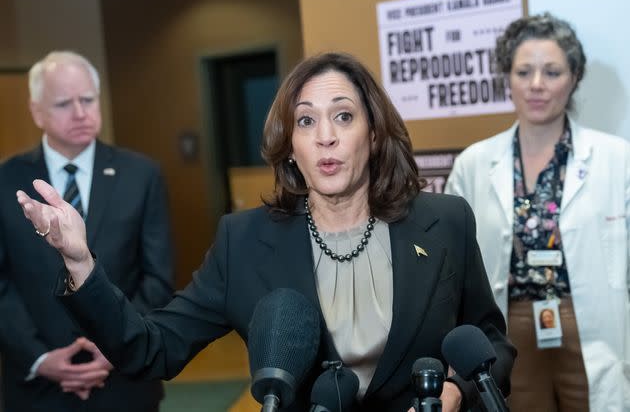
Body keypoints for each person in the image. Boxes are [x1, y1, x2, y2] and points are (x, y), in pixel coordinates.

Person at [16, 52, 515, 412]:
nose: (326, 136)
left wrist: (453, 394)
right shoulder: (243, 241)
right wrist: (81, 263)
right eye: (305, 121)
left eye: (344, 116)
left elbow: (490, 339)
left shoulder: (445, 221)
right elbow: (150, 348)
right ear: (290, 145)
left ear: (375, 133)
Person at [445, 13, 630, 411]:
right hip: (511, 331)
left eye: (552, 71)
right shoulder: (475, 163)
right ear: (506, 77)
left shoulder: (618, 159)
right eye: (524, 71)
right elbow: (455, 269)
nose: (537, 85)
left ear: (575, 76)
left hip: (595, 328)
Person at [0, 51, 174, 411]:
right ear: (37, 111)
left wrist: (119, 344)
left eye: (88, 100)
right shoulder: (6, 180)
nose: (80, 113)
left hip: (126, 383)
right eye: (64, 103)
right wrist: (39, 358)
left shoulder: (141, 174)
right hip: (36, 389)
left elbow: (158, 278)